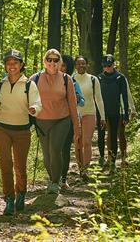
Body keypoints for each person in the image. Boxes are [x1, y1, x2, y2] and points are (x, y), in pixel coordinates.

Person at [0, 49, 42, 215]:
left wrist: (34, 109)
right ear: (5, 66)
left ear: (21, 65)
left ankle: (21, 193)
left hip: (22, 130)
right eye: (8, 63)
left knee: (20, 166)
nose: (12, 66)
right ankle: (9, 199)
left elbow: (37, 103)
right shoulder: (0, 85)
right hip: (2, 129)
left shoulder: (29, 84)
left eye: (15, 62)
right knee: (5, 163)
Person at [31, 49, 80, 194]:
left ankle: (54, 183)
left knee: (55, 149)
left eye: (56, 60)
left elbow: (72, 104)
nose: (52, 63)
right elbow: (27, 99)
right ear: (45, 61)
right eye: (49, 59)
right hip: (42, 121)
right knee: (46, 155)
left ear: (60, 63)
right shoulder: (35, 78)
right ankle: (53, 178)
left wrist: (77, 129)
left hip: (62, 120)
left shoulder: (66, 79)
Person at [72, 56, 106, 179]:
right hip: (75, 115)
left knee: (86, 142)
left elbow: (99, 98)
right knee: (77, 142)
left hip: (89, 113)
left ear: (87, 65)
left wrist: (102, 116)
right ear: (75, 65)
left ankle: (86, 169)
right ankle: (80, 168)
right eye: (78, 64)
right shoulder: (71, 79)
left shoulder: (93, 79)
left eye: (83, 63)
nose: (81, 66)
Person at [97, 54, 130, 172]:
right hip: (103, 112)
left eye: (109, 65)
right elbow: (97, 96)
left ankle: (113, 164)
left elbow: (125, 97)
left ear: (114, 64)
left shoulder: (120, 78)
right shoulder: (99, 78)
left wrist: (126, 114)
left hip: (116, 111)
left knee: (115, 135)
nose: (107, 68)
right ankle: (105, 158)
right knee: (105, 135)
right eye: (105, 66)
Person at [59, 54, 85, 189]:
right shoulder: (50, 81)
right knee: (54, 150)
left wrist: (77, 97)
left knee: (65, 149)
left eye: (64, 65)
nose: (61, 68)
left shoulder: (73, 83)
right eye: (60, 65)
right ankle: (54, 178)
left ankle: (63, 179)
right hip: (53, 120)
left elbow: (82, 102)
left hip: (69, 119)